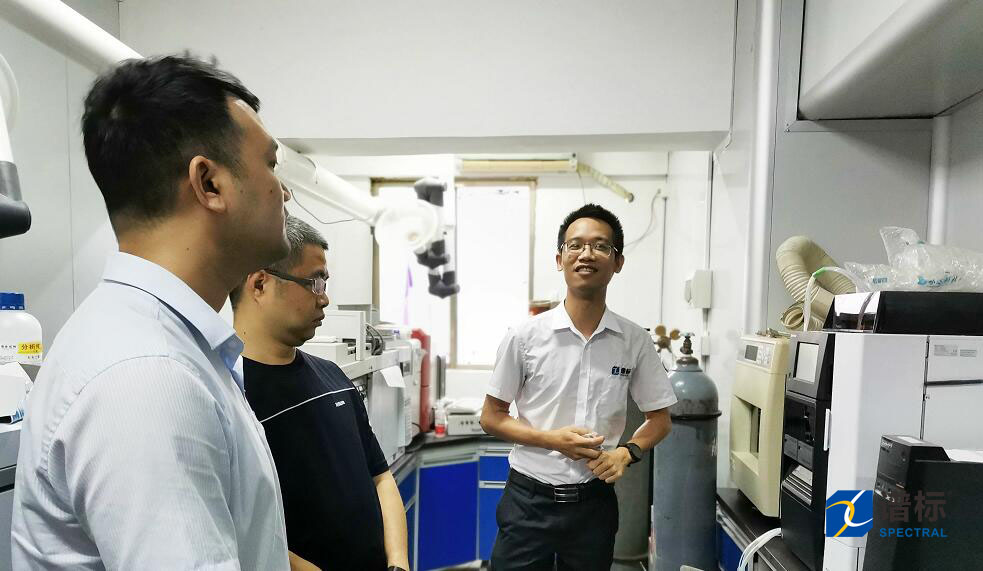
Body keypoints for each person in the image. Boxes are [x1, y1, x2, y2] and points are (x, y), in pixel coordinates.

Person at [12, 56, 293, 569]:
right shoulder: (147, 374)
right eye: (271, 165)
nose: (284, 191)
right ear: (209, 183)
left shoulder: (162, 342)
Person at [480, 204, 677, 570]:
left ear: (617, 263)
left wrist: (625, 454)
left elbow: (660, 420)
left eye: (600, 246)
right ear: (560, 259)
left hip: (594, 505)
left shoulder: (634, 340)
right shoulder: (524, 337)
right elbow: (491, 417)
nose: (586, 253)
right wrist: (551, 440)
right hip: (528, 501)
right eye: (575, 245)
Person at [230, 215, 411, 571]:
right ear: (260, 284)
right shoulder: (231, 397)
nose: (324, 298)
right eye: (314, 282)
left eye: (324, 283)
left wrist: (398, 562)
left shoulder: (332, 377)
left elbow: (380, 476)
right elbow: (243, 531)